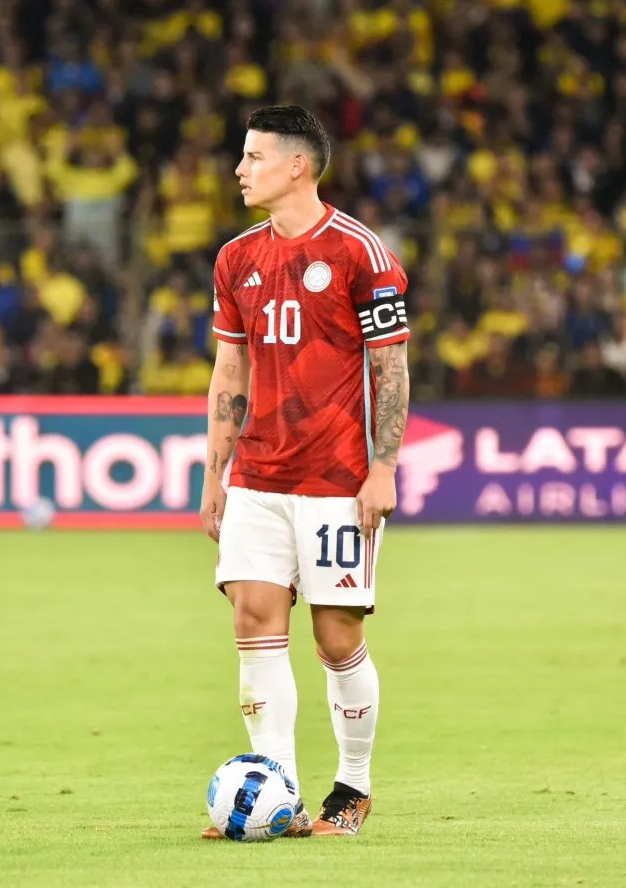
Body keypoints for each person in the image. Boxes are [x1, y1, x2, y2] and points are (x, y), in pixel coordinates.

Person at [200, 106, 411, 838]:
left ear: (297, 166)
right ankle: (277, 791)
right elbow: (230, 367)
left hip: (337, 481)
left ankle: (353, 785)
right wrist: (215, 475)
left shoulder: (361, 254)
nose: (240, 169)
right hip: (259, 475)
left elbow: (390, 366)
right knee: (254, 619)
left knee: (334, 638)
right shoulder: (236, 260)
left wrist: (383, 467)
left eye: (253, 156)